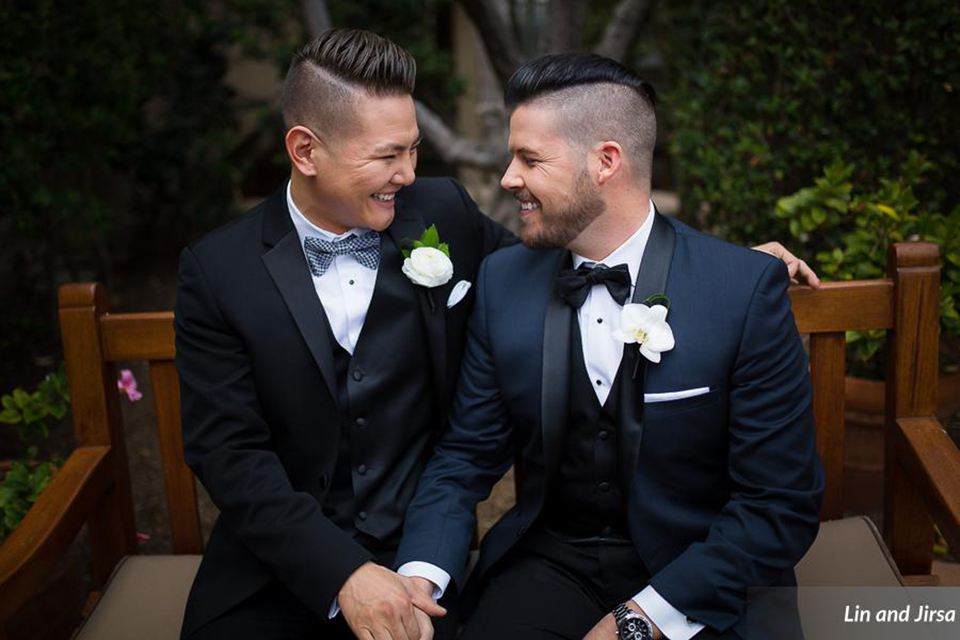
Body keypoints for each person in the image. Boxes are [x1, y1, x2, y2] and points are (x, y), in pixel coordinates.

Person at [396, 52, 824, 640]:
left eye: (530, 158)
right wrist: (420, 577)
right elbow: (465, 456)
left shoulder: (740, 291)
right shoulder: (504, 283)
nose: (508, 178)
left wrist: (641, 619)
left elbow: (779, 503)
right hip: (552, 564)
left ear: (606, 162)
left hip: (703, 575)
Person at [174, 29, 513, 639]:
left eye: (413, 151)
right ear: (305, 150)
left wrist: (725, 272)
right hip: (277, 570)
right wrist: (341, 572)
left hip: (418, 560)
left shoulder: (445, 212)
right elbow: (228, 452)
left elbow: (544, 275)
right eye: (387, 155)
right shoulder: (218, 270)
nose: (408, 174)